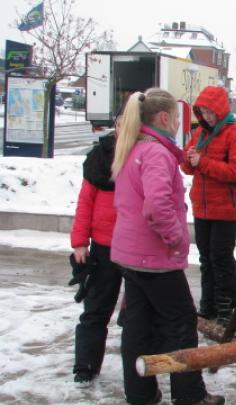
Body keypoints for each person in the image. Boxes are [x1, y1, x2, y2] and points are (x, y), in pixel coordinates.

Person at [110, 88, 224, 405]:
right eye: (176, 118)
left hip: (131, 256)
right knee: (181, 324)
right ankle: (190, 396)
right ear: (163, 117)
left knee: (138, 326)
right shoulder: (157, 153)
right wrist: (176, 238)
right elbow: (157, 206)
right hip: (154, 258)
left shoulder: (132, 147)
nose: (178, 124)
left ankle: (141, 393)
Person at [181, 86, 236, 326]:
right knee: (205, 258)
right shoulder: (200, 133)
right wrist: (189, 159)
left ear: (220, 109)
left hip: (227, 209)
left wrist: (203, 162)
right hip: (203, 207)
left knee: (220, 256)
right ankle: (208, 305)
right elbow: (188, 168)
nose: (207, 117)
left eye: (210, 112)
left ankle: (226, 306)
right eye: (203, 112)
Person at [69, 107, 124, 387]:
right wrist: (80, 241)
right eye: (120, 120)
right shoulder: (98, 157)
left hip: (135, 248)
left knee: (137, 313)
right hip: (103, 246)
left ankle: (139, 366)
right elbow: (85, 202)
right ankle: (86, 366)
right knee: (96, 309)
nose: (124, 126)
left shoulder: (143, 154)